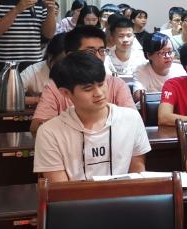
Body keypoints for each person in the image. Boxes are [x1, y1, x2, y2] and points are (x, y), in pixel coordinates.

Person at [33, 53, 150, 181]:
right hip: (73, 195)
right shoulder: (49, 132)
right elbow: (60, 188)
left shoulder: (131, 119)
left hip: (125, 193)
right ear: (65, 93)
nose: (99, 93)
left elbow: (138, 174)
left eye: (101, 84)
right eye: (88, 89)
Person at [30, 26, 137, 135]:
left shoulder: (117, 84)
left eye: (102, 50)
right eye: (90, 51)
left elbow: (133, 123)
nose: (98, 57)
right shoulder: (56, 87)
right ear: (71, 55)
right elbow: (37, 127)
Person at [0, 33, 66, 107]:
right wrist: (37, 99)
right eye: (63, 62)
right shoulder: (34, 71)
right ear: (50, 57)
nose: (68, 67)